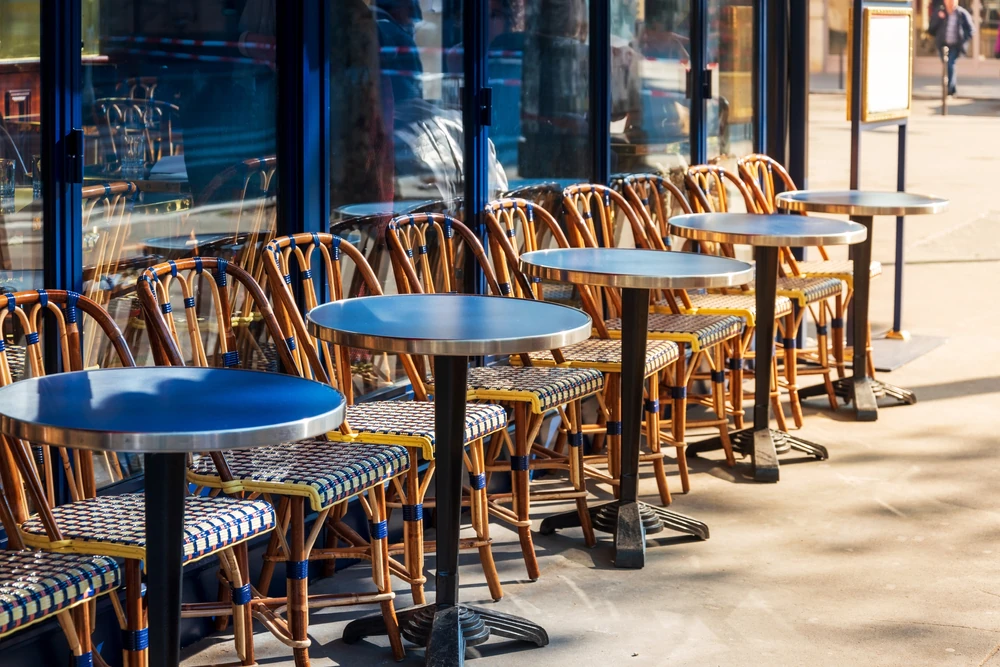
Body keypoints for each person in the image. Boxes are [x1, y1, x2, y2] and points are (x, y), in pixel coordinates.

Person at [929, 0, 974, 97]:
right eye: (949, 1)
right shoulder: (940, 12)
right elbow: (931, 29)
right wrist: (939, 18)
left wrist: (963, 40)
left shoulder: (961, 14)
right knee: (947, 67)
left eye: (953, 1)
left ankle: (949, 90)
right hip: (943, 45)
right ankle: (952, 89)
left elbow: (971, 30)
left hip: (955, 45)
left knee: (950, 64)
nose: (951, 3)